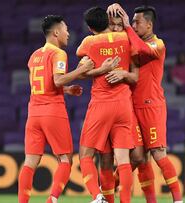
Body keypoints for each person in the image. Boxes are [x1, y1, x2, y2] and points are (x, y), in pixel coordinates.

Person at [17, 15, 119, 203]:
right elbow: (57, 79)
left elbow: (44, 85)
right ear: (56, 32)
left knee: (30, 162)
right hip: (53, 112)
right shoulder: (58, 54)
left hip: (33, 114)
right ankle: (52, 200)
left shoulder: (34, 56)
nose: (68, 33)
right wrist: (82, 69)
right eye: (65, 29)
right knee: (65, 160)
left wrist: (66, 90)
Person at [107, 4, 183, 203]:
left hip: (151, 105)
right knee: (139, 158)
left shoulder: (158, 45)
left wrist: (127, 28)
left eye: (136, 22)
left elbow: (141, 49)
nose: (132, 24)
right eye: (131, 21)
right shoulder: (132, 41)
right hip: (131, 107)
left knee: (158, 153)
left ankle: (178, 200)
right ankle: (107, 194)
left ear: (149, 25)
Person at [76, 7, 137, 203]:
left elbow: (81, 61)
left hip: (102, 104)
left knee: (85, 155)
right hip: (124, 104)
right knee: (123, 160)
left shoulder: (89, 42)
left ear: (89, 27)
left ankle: (97, 196)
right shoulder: (126, 38)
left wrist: (99, 66)